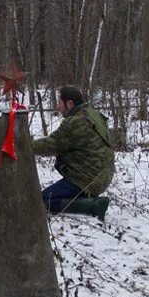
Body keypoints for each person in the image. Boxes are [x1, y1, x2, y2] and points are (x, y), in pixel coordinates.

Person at [33, 86, 114, 220]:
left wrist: (23, 146)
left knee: (42, 201)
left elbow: (51, 145)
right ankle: (86, 198)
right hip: (103, 175)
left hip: (87, 180)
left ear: (69, 103)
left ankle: (92, 205)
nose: (58, 107)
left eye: (60, 103)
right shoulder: (91, 113)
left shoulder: (75, 122)